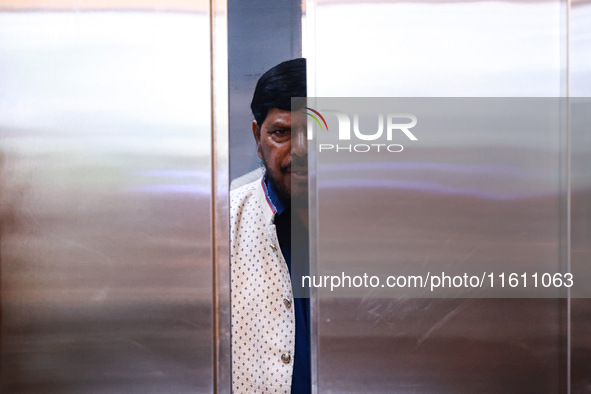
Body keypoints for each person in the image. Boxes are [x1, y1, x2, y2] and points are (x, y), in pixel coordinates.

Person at [230, 58, 310, 393]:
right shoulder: (222, 224)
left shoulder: (381, 223)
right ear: (256, 136)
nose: (302, 150)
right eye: (281, 132)